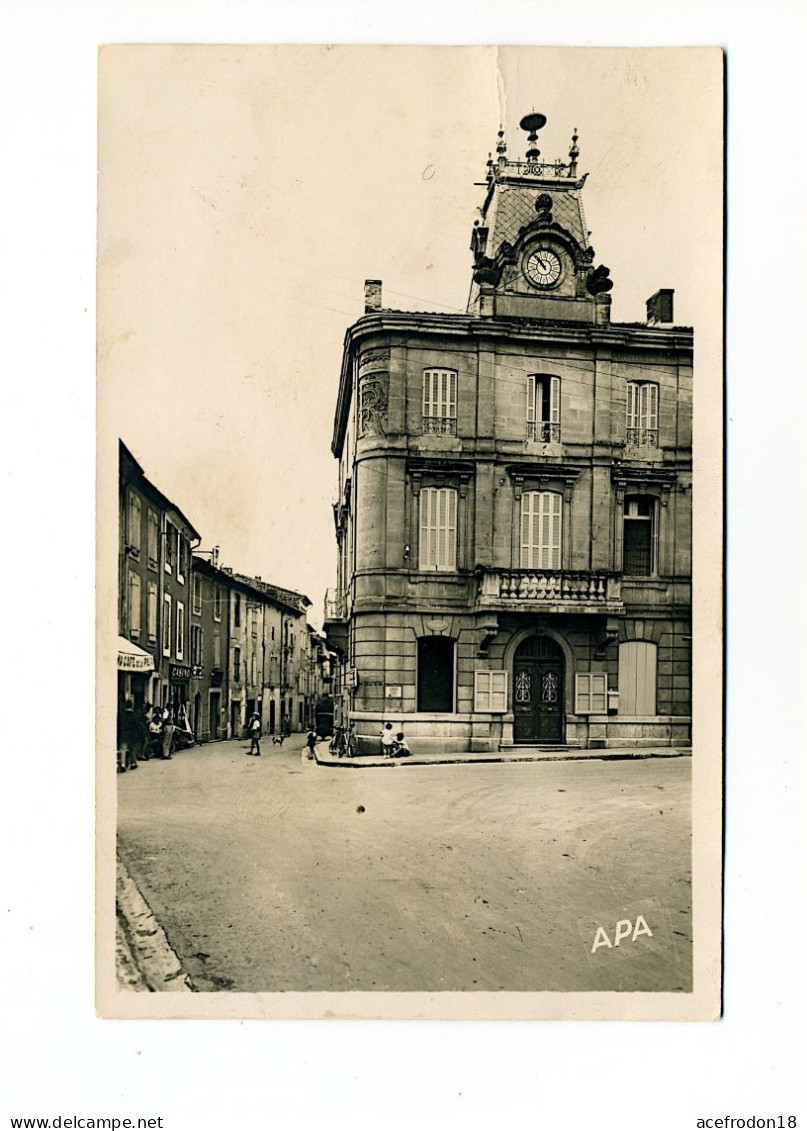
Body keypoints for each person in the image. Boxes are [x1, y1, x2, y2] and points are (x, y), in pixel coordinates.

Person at [116, 700, 140, 772]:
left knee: (123, 749)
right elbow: (137, 726)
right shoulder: (134, 715)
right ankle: (133, 763)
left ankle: (123, 765)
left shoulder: (121, 715)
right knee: (133, 749)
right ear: (132, 706)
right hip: (132, 735)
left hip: (124, 735)